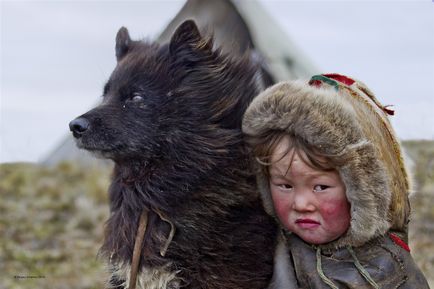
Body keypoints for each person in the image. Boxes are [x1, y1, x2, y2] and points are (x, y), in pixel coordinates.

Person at [242, 73, 430, 288]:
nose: (301, 204)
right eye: (285, 186)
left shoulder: (388, 268)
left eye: (320, 187)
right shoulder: (268, 249)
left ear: (362, 192)